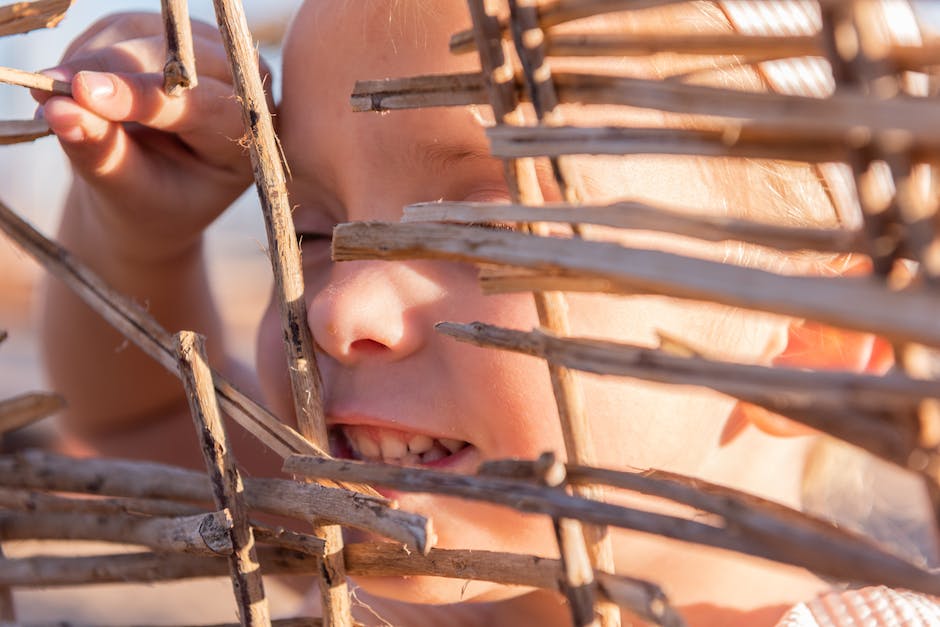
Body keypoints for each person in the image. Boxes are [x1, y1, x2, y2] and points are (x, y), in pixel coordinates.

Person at [31, 1, 934, 625]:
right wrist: (138, 235)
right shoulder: (348, 559)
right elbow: (145, 418)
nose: (340, 305)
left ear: (810, 342)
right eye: (306, 228)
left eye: (481, 232)